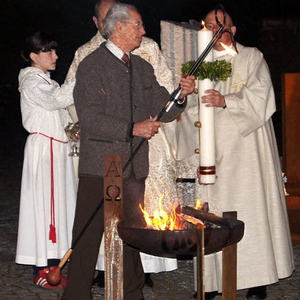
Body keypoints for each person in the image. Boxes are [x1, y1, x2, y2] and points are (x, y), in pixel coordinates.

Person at [61, 3, 195, 300]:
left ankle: (132, 295)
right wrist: (133, 128)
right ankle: (76, 296)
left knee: (132, 236)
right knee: (87, 237)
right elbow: (91, 119)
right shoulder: (91, 66)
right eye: (138, 25)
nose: (143, 31)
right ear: (118, 27)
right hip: (100, 167)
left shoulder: (143, 67)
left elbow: (165, 110)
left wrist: (181, 95)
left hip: (134, 169)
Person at [186, 8, 295, 300]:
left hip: (247, 155)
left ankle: (256, 280)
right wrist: (186, 93)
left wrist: (227, 101)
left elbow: (263, 97)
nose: (212, 30)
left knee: (251, 212)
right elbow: (188, 116)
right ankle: (211, 282)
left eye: (219, 26)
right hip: (213, 156)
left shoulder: (251, 57)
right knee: (211, 214)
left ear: (232, 31)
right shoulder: (198, 66)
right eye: (207, 25)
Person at [15, 32, 77, 290]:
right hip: (44, 149)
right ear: (33, 56)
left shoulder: (45, 80)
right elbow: (58, 100)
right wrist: (79, 73)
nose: (55, 56)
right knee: (45, 207)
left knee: (57, 206)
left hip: (56, 147)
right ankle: (42, 265)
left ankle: (54, 261)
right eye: (48, 51)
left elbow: (60, 111)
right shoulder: (31, 81)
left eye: (55, 50)